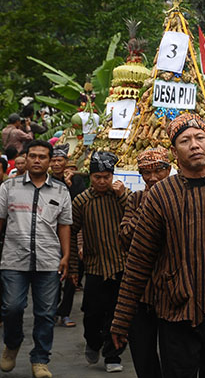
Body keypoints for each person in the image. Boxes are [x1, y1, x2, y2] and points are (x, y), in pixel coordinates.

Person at [110, 113, 205, 377]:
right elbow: (139, 260)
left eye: (200, 138)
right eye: (185, 140)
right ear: (174, 151)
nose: (194, 145)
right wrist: (122, 318)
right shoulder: (161, 195)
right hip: (175, 313)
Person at [0, 140, 72, 378]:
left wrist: (66, 255)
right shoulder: (8, 187)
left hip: (49, 260)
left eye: (43, 156)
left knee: (46, 313)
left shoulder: (61, 191)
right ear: (27, 158)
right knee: (12, 308)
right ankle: (12, 343)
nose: (37, 160)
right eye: (33, 156)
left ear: (50, 161)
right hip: (13, 258)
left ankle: (40, 360)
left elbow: (64, 226)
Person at [69, 151, 130, 373]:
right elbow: (72, 232)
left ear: (113, 176)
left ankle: (112, 355)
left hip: (121, 265)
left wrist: (122, 195)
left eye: (107, 176)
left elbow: (135, 216)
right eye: (98, 177)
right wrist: (74, 267)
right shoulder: (82, 201)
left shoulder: (123, 196)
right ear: (90, 178)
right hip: (95, 267)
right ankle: (93, 342)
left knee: (118, 315)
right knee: (93, 314)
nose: (103, 181)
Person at [117, 147, 171, 378]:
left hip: (171, 290)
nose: (152, 178)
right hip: (142, 289)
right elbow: (126, 237)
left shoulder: (178, 196)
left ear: (168, 170)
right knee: (143, 351)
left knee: (174, 354)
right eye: (145, 173)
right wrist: (147, 205)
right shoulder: (137, 198)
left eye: (158, 171)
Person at [50, 144, 86, 328]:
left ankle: (64, 312)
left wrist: (69, 184)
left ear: (66, 162)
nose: (56, 164)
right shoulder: (46, 181)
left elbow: (77, 206)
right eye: (54, 160)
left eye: (60, 160)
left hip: (71, 233)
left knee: (72, 274)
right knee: (52, 274)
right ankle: (52, 310)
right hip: (50, 234)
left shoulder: (76, 180)